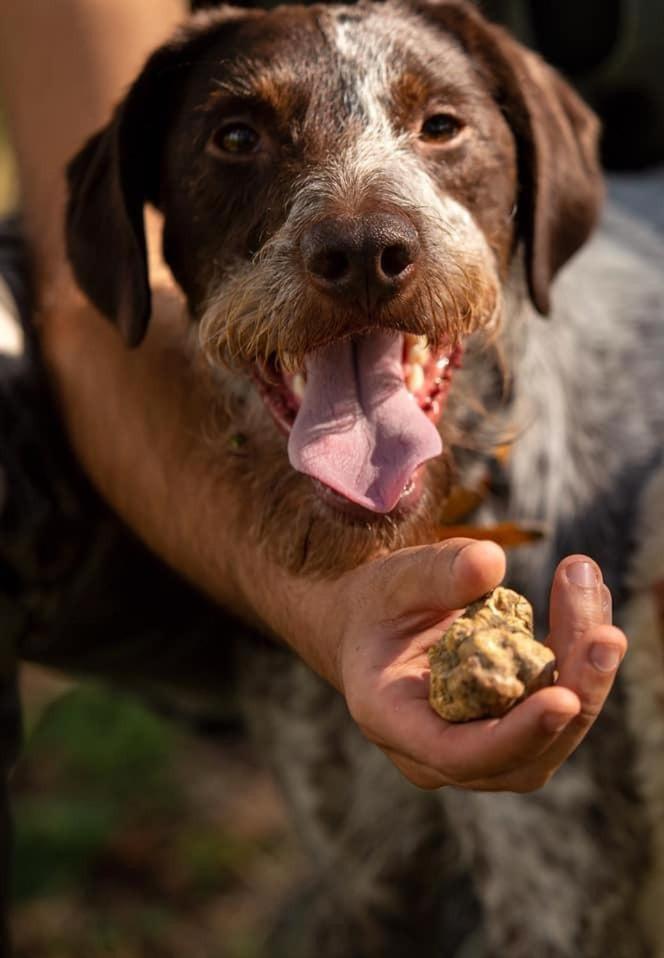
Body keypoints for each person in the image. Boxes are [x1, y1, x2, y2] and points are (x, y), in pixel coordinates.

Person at [0, 0, 625, 808]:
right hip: (167, 499)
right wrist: (318, 605)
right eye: (236, 140)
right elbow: (82, 307)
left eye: (440, 127)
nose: (360, 234)